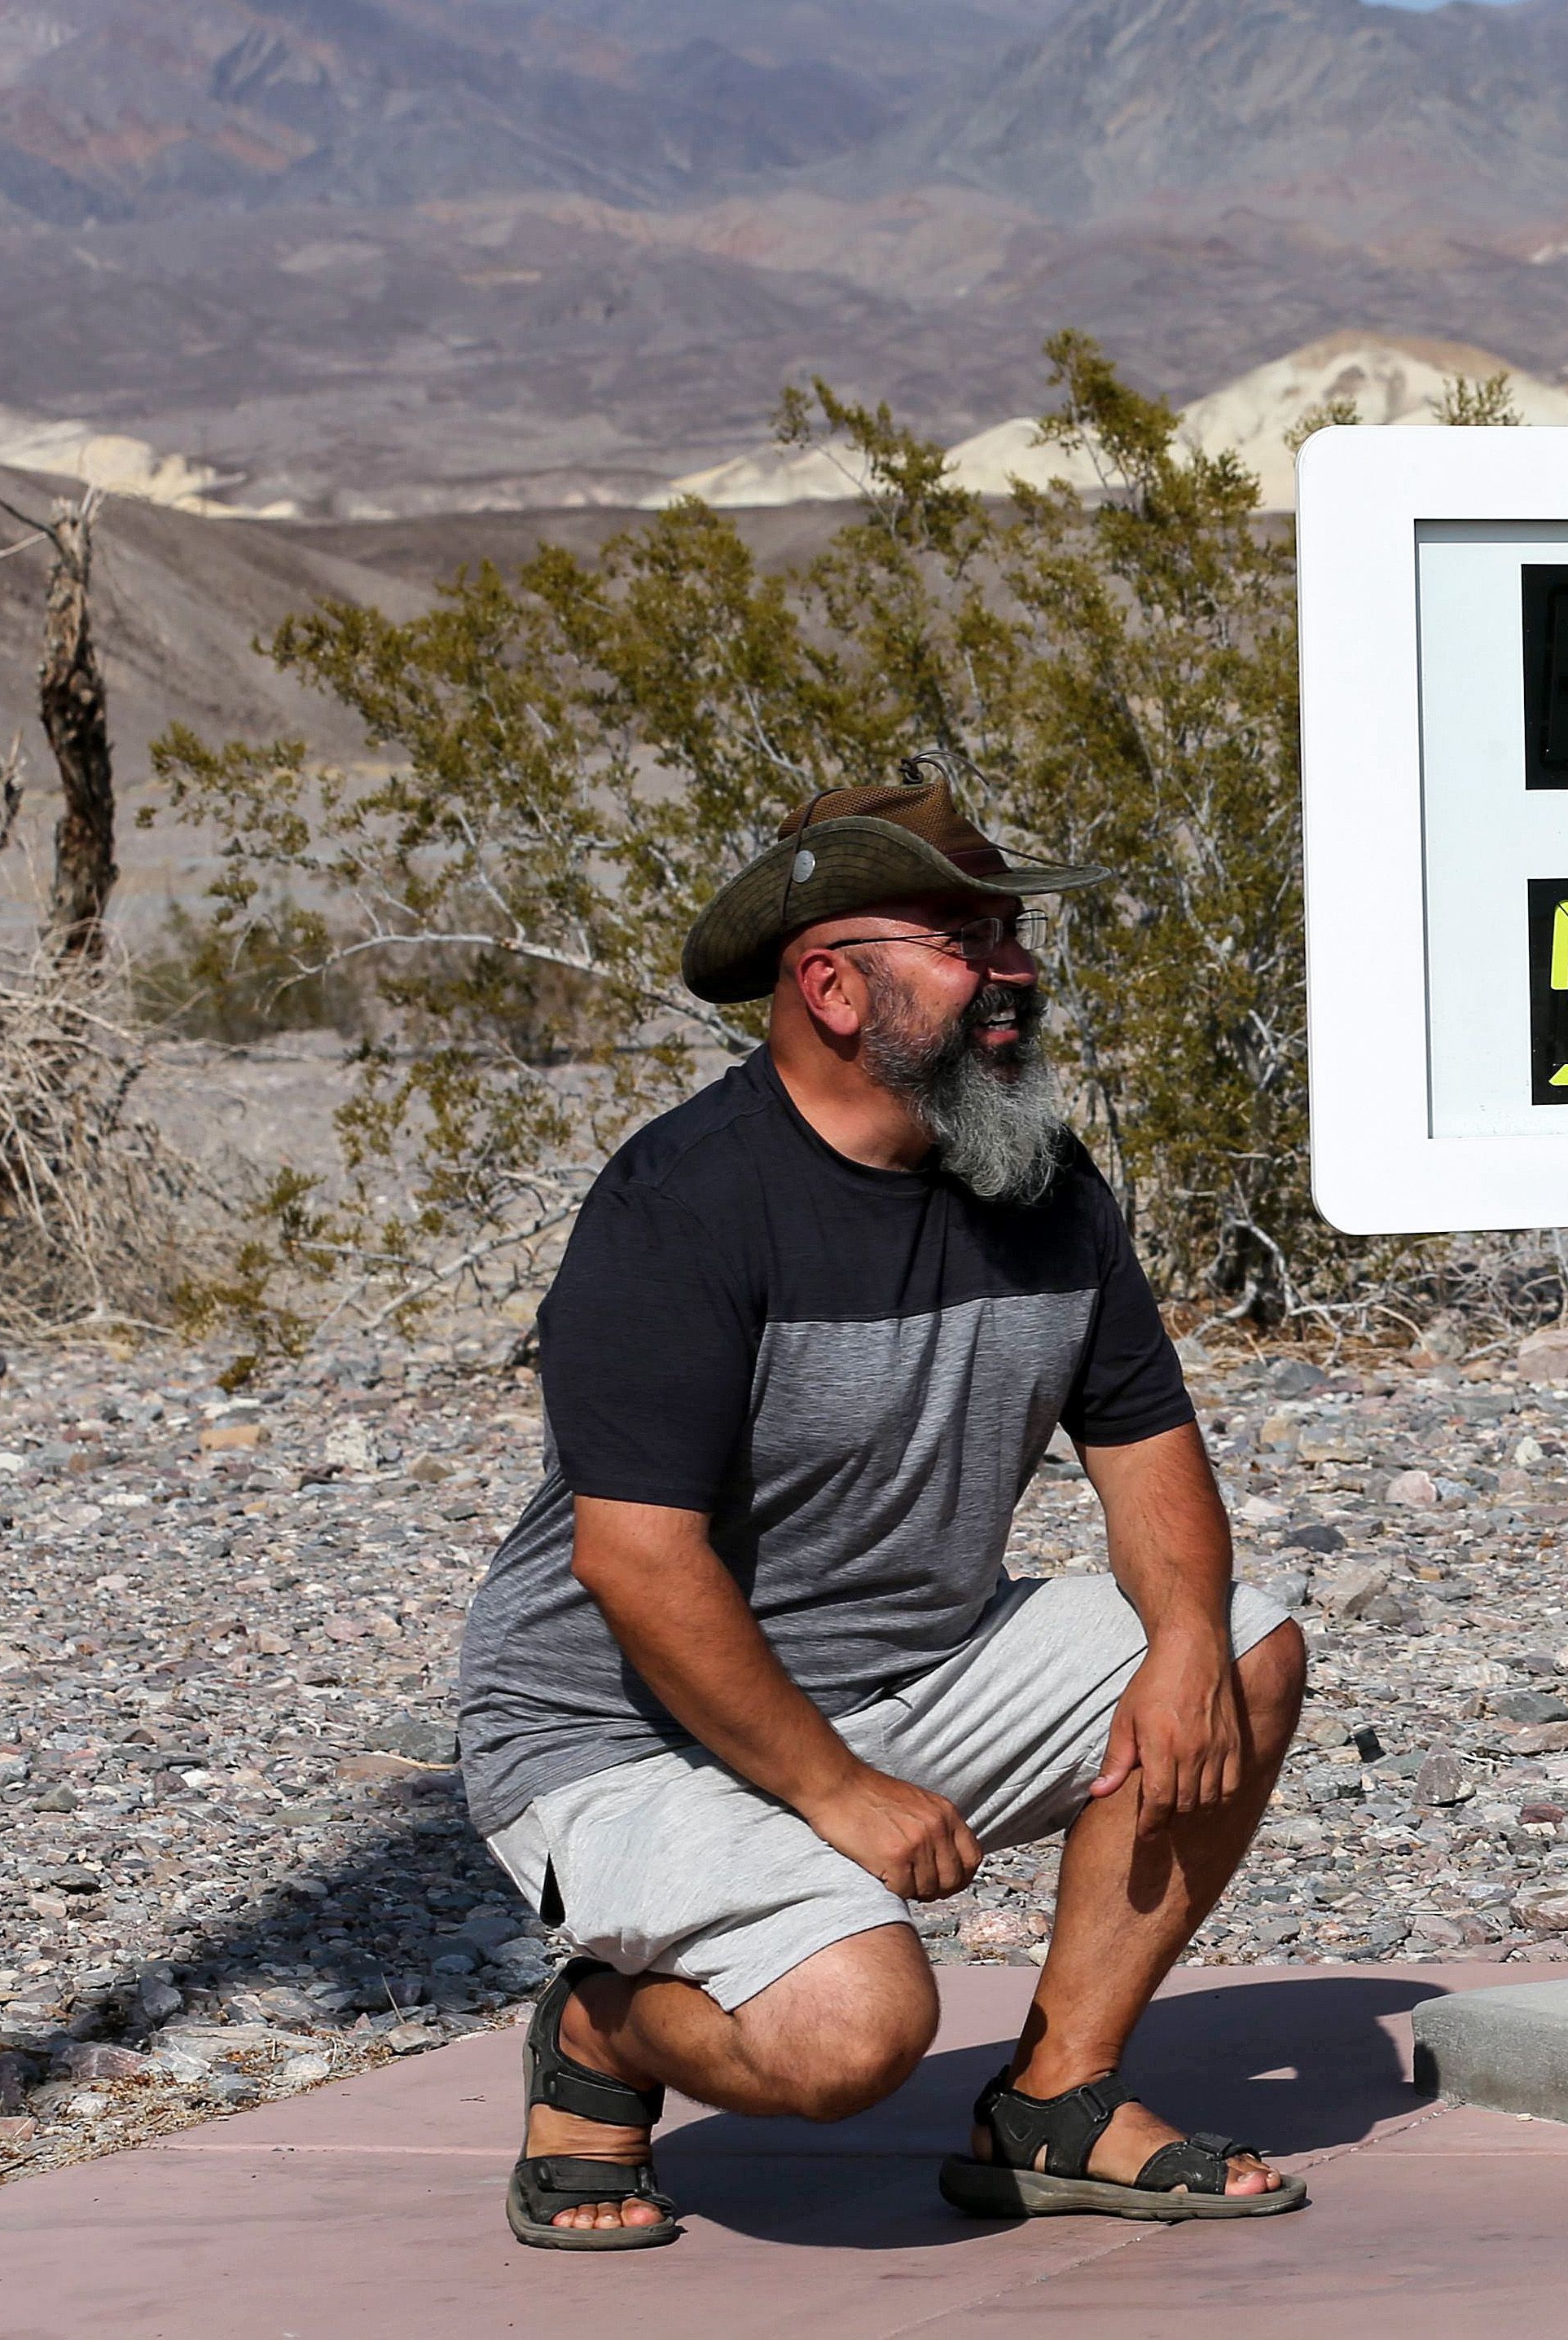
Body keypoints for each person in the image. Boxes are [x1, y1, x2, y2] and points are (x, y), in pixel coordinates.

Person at [459, 779, 1312, 2248]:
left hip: (910, 1678)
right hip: (617, 1733)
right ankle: (603, 2034)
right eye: (964, 937)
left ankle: (1056, 2095)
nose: (1016, 969)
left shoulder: (1041, 1183)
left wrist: (1178, 1635)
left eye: (1013, 932)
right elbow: (634, 1561)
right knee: (854, 2035)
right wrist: (837, 1794)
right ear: (833, 986)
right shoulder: (683, 1205)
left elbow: (1148, 1449)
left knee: (1240, 1650)